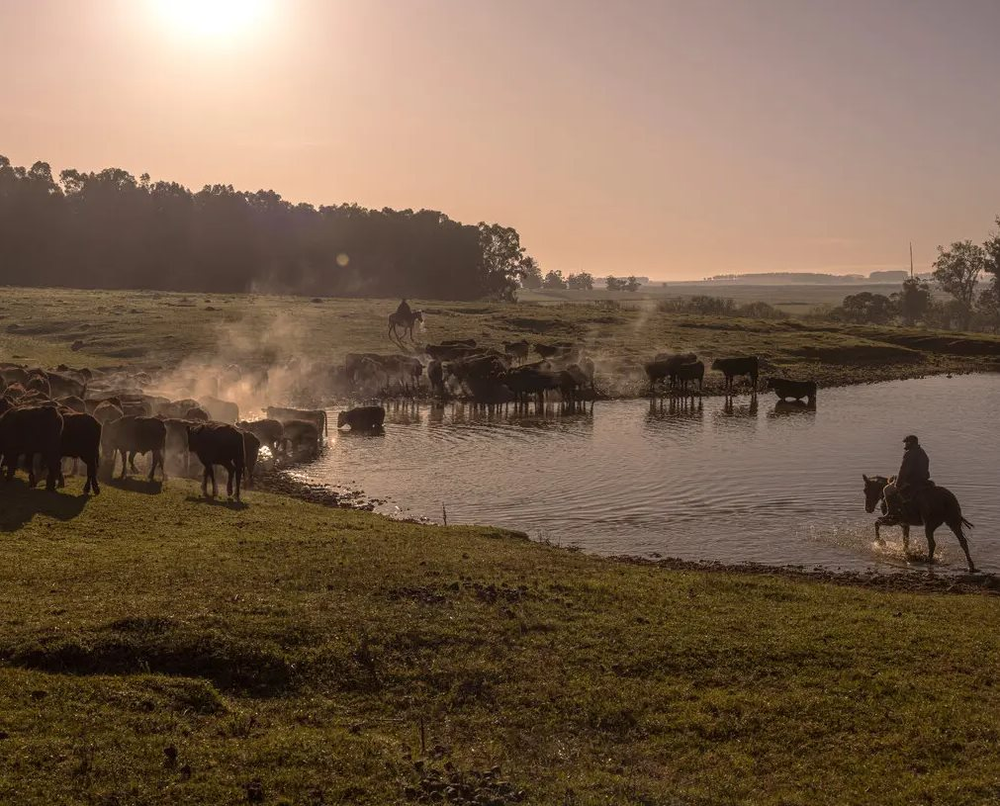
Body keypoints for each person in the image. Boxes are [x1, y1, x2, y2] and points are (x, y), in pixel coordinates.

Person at [883, 434, 930, 520]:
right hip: (923, 479)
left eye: (906, 443)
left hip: (911, 481)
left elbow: (903, 470)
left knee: (887, 489)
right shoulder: (922, 451)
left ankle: (890, 512)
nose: (904, 445)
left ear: (909, 443)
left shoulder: (909, 453)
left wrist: (898, 484)